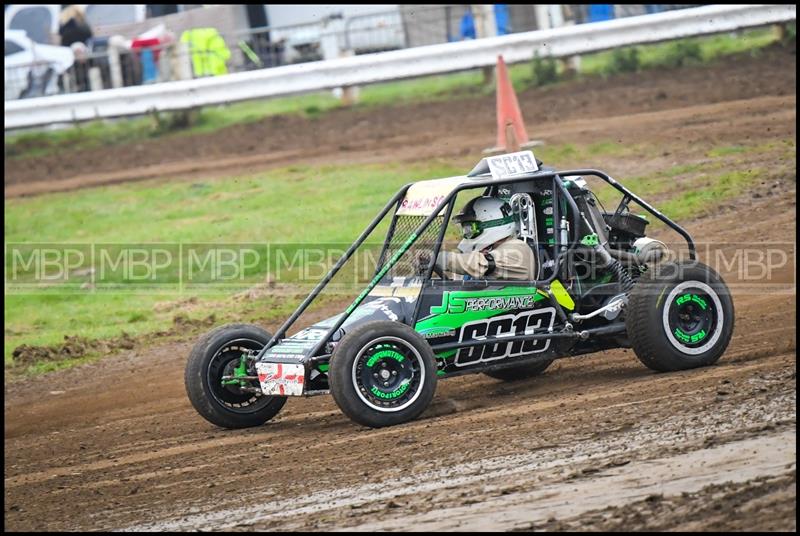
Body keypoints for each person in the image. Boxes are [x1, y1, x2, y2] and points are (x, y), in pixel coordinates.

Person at [429, 196, 537, 281]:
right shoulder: (488, 249)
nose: (466, 233)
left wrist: (440, 259)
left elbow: (482, 264)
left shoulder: (518, 248)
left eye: (470, 228)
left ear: (494, 224)